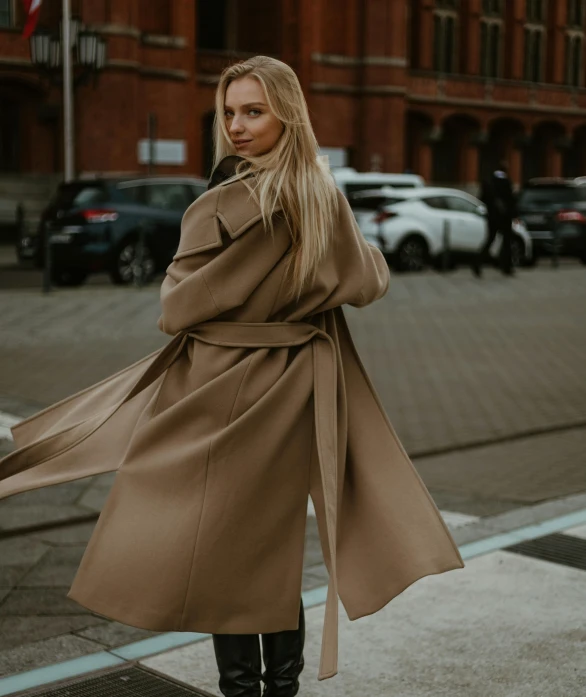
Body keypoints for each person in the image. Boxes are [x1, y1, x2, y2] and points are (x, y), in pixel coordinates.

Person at [0, 56, 464, 697]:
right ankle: (280, 689)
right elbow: (367, 282)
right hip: (298, 381)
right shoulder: (321, 197)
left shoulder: (221, 204)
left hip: (219, 382)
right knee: (267, 547)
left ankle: (244, 690)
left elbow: (176, 308)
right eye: (228, 112)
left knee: (221, 545)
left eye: (253, 111)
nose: (237, 126)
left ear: (287, 115)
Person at [473, 161, 517, 277]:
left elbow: (481, 199)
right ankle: (506, 267)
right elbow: (511, 200)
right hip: (505, 217)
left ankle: (477, 263)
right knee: (507, 241)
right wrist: (514, 214)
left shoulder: (488, 181)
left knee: (490, 240)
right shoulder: (507, 182)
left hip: (492, 217)